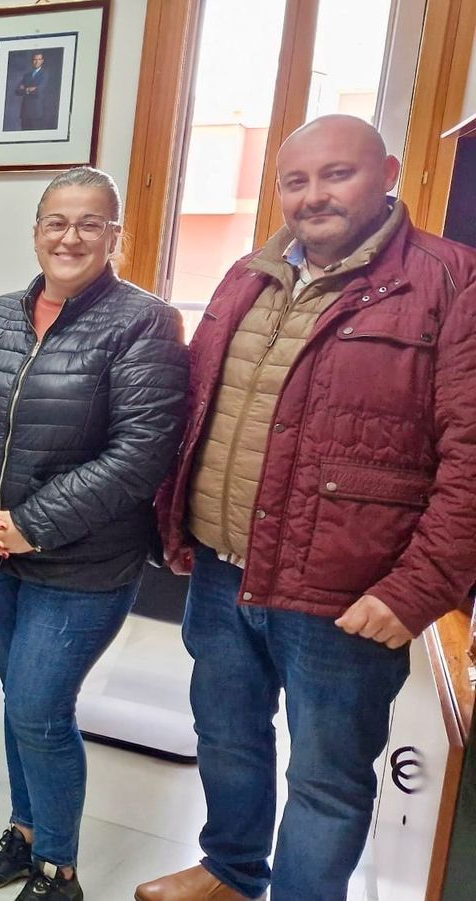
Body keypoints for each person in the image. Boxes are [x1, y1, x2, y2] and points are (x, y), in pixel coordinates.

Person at [139, 114, 476, 901]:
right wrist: (173, 520)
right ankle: (230, 867)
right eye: (295, 179)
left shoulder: (453, 282)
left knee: (327, 776)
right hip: (224, 571)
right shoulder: (247, 276)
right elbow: (198, 407)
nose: (313, 195)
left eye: (338, 174)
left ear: (388, 173)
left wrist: (415, 590)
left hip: (346, 595)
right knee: (227, 737)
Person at [0, 166, 188, 901]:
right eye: (57, 221)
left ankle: (58, 868)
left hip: (84, 565)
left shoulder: (145, 321)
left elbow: (141, 451)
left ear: (117, 234)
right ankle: (24, 831)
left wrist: (30, 525)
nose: (71, 236)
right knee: (21, 698)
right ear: (36, 230)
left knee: (38, 706)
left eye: (90, 223)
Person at [15, 53, 53, 131]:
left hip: (37, 111)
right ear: (32, 61)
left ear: (42, 61)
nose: (36, 62)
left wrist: (25, 89)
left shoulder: (45, 74)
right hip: (25, 112)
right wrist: (28, 89)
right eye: (35, 59)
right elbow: (17, 92)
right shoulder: (27, 75)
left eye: (39, 59)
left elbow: (39, 90)